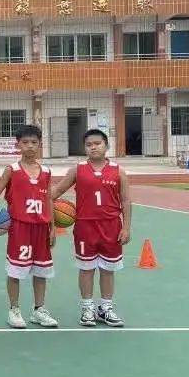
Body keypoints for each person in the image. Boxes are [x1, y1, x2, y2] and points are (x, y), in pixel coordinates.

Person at [0, 124, 59, 329]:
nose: (30, 146)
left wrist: (53, 226)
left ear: (40, 144)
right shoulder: (12, 170)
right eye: (25, 142)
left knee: (41, 271)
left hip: (41, 227)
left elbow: (48, 199)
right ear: (18, 145)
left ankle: (39, 310)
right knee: (15, 270)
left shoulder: (46, 172)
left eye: (34, 142)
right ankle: (14, 309)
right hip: (20, 227)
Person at [50, 129, 131, 327]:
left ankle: (105, 308)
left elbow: (126, 200)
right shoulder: (77, 170)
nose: (93, 147)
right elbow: (57, 191)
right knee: (86, 269)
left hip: (111, 226)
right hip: (85, 226)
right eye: (89, 145)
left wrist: (126, 228)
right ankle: (87, 308)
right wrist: (35, 198)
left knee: (108, 269)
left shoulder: (118, 171)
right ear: (85, 148)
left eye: (97, 143)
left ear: (106, 146)